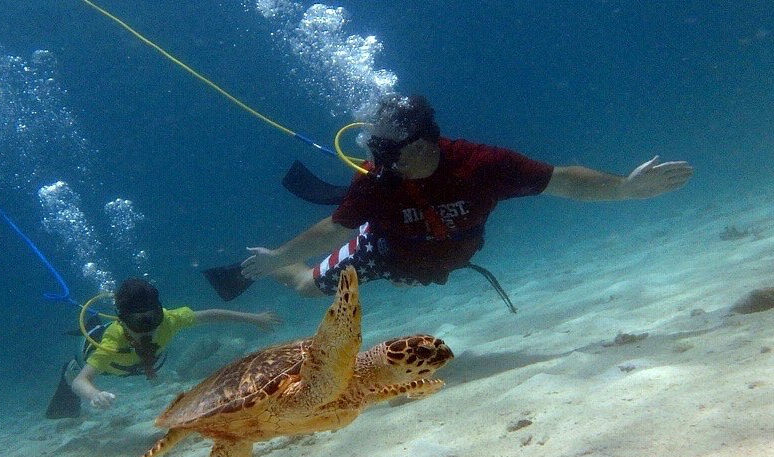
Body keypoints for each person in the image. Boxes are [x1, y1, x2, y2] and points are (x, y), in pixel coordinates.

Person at [241, 93, 693, 298]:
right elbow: (333, 228)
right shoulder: (378, 180)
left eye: (393, 156)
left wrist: (625, 189)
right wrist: (279, 257)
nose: (386, 168)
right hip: (385, 250)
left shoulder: (481, 164)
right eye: (381, 158)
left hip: (454, 252)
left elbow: (562, 180)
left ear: (422, 144)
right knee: (306, 288)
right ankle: (283, 269)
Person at [45, 276, 280, 418]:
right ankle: (70, 365)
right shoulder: (113, 340)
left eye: (153, 317)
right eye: (139, 321)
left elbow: (210, 315)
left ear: (160, 310)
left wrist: (253, 318)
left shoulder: (169, 319)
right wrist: (94, 395)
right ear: (123, 320)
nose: (148, 327)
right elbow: (81, 382)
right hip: (91, 355)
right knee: (72, 373)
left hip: (138, 365)